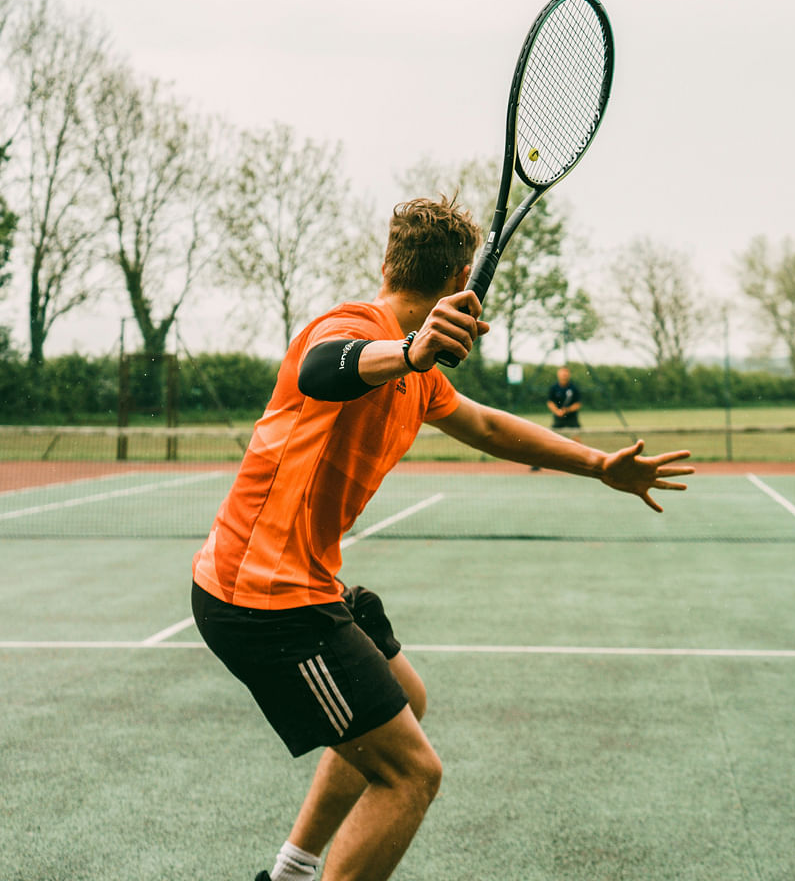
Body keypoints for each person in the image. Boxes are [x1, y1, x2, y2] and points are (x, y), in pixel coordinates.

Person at [191, 195, 695, 881]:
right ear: (465, 279)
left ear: (387, 263)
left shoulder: (419, 378)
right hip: (260, 601)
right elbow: (321, 367)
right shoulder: (354, 329)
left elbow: (487, 427)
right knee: (412, 775)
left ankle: (290, 872)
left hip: (293, 581)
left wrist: (598, 463)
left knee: (408, 702)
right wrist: (408, 348)